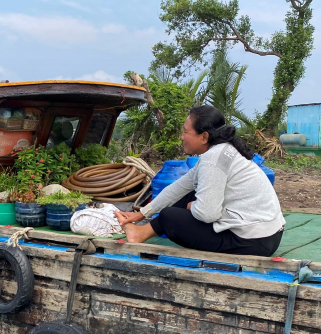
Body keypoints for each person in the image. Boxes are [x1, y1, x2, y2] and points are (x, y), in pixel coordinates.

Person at [115, 105, 284, 257]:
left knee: (169, 216)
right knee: (184, 196)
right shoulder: (222, 150)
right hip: (269, 234)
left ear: (204, 137)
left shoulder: (213, 159)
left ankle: (139, 234)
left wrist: (193, 206)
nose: (182, 137)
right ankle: (140, 233)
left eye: (185, 132)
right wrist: (142, 213)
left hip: (253, 240)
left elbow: (207, 214)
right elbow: (179, 187)